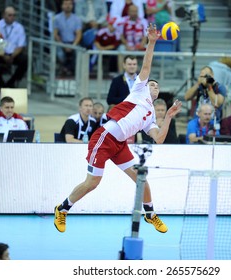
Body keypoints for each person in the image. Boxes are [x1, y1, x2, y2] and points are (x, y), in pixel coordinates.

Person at [54, 23, 182, 234]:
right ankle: (62, 209)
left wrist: (167, 116)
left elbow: (158, 139)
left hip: (120, 144)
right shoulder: (139, 90)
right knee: (92, 182)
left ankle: (150, 214)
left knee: (142, 180)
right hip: (104, 138)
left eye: (157, 86)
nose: (154, 86)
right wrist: (151, 42)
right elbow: (147, 67)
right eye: (152, 84)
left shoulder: (150, 116)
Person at [0, 6, 27, 88]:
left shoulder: (19, 27)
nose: (12, 17)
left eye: (14, 15)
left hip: (14, 53)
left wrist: (11, 56)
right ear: (4, 15)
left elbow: (21, 46)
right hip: (1, 52)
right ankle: (0, 82)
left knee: (25, 60)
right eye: (10, 15)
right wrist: (4, 56)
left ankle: (12, 81)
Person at [53, 0, 82, 77]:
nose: (68, 6)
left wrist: (73, 45)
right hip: (61, 42)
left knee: (77, 52)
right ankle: (65, 69)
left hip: (73, 42)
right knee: (60, 54)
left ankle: (68, 70)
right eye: (66, 4)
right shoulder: (56, 18)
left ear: (72, 6)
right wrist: (62, 45)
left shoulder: (77, 19)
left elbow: (79, 34)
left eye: (70, 4)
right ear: (62, 5)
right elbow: (55, 34)